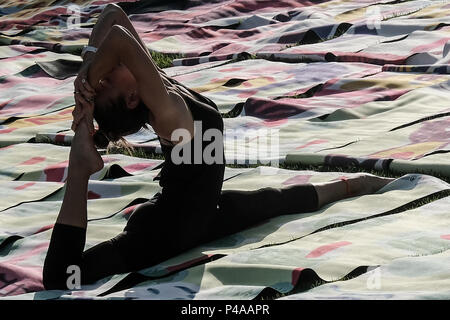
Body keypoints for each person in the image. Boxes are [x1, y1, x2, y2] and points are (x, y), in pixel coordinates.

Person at [42, 4, 393, 290]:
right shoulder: (168, 112)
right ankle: (80, 167)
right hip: (165, 232)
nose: (107, 69)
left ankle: (355, 184)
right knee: (63, 277)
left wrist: (88, 69)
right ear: (133, 98)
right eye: (107, 80)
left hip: (205, 212)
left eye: (103, 76)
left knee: (276, 201)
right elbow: (117, 38)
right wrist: (87, 80)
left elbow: (114, 14)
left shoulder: (153, 85)